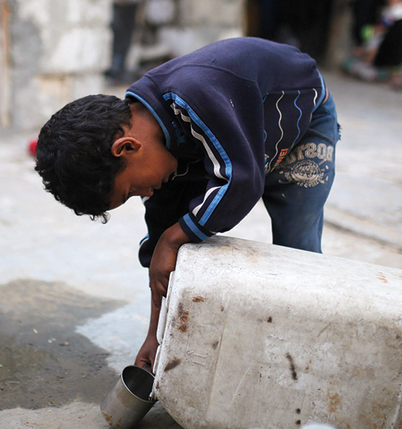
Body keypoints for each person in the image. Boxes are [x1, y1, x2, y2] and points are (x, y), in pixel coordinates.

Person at [34, 37, 340, 368]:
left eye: (134, 189)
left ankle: (309, 359)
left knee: (298, 246)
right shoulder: (158, 145)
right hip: (241, 146)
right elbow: (160, 257)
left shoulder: (195, 93)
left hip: (298, 124)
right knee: (179, 233)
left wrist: (174, 237)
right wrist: (156, 336)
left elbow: (241, 182)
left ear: (127, 147)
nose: (147, 194)